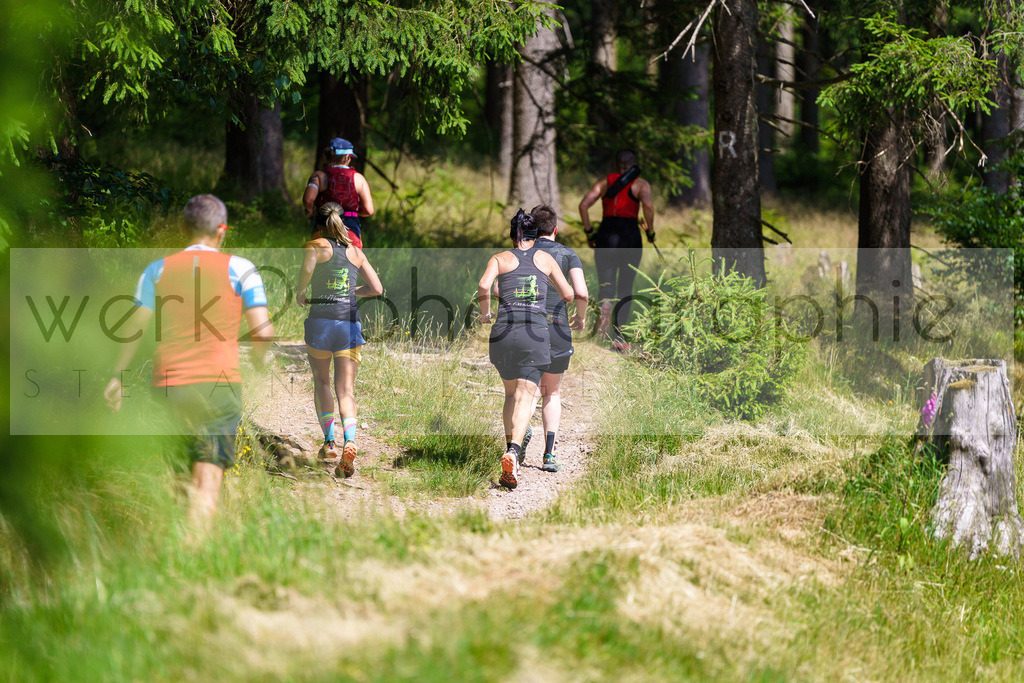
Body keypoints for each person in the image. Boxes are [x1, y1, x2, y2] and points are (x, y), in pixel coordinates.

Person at [104, 195, 275, 525]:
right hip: (218, 385)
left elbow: (134, 328)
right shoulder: (242, 268)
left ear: (184, 228)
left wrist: (116, 376)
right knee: (206, 483)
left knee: (180, 476)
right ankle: (192, 556)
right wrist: (258, 357)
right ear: (222, 231)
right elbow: (263, 332)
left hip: (169, 385)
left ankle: (175, 547)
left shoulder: (157, 270)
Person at [478, 209, 575, 490]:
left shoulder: (499, 258)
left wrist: (486, 314)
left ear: (512, 235)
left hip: (503, 334)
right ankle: (513, 452)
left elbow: (485, 285)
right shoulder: (545, 259)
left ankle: (512, 450)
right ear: (535, 236)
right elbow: (569, 294)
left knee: (511, 394)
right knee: (525, 396)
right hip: (535, 334)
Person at [296, 202, 384, 478]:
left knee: (322, 382)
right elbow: (377, 289)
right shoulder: (356, 252)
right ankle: (350, 440)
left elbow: (308, 271)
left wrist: (301, 291)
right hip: (348, 325)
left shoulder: (314, 246)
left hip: (321, 324)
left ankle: (330, 443)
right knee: (345, 389)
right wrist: (350, 291)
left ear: (319, 224)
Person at [528, 204, 588, 473]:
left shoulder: (524, 252)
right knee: (552, 391)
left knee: (527, 390)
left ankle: (517, 441)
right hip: (558, 326)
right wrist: (581, 317)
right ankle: (549, 455)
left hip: (527, 326)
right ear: (555, 229)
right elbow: (581, 293)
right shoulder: (567, 254)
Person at [578, 149, 655, 350]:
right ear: (634, 164)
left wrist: (589, 233)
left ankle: (599, 333)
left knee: (606, 286)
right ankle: (618, 337)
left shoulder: (604, 182)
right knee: (625, 287)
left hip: (605, 235)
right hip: (630, 237)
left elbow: (583, 205)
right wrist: (651, 230)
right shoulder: (640, 184)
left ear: (615, 165)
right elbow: (647, 205)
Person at [302, 137, 375, 248]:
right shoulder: (359, 178)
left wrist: (310, 211)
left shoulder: (319, 176)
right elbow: (369, 210)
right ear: (346, 157)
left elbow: (308, 199)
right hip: (350, 229)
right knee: (352, 262)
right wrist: (352, 210)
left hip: (323, 226)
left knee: (319, 262)